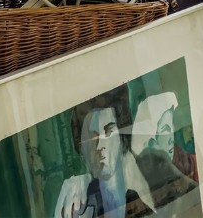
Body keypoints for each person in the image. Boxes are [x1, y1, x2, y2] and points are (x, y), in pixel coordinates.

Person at [56, 87, 153, 218]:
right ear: (81, 147)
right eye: (92, 138)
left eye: (109, 132)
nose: (100, 146)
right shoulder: (80, 204)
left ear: (121, 138)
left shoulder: (142, 190)